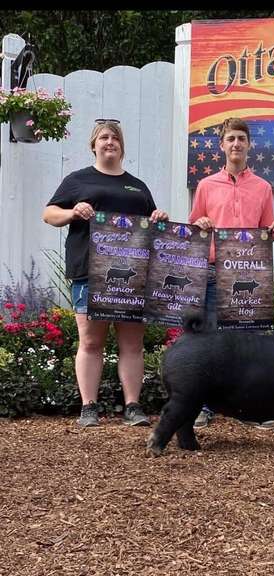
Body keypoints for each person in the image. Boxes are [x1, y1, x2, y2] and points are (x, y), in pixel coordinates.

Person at [43, 119, 169, 428]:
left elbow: (152, 230)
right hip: (89, 272)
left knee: (132, 344)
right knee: (90, 342)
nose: (109, 142)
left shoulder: (138, 186)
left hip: (133, 275)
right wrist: (73, 212)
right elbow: (49, 214)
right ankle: (89, 406)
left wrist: (158, 218)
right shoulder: (77, 180)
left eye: (115, 138)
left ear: (121, 146)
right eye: (103, 137)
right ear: (94, 145)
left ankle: (133, 406)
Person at [189, 117, 274, 428]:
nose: (236, 144)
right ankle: (205, 406)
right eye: (230, 138)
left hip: (248, 273)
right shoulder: (206, 185)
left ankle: (251, 408)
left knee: (251, 343)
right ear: (221, 145)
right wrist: (200, 223)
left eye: (241, 139)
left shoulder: (263, 188)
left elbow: (265, 230)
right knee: (210, 341)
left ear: (249, 145)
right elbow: (193, 227)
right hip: (214, 272)